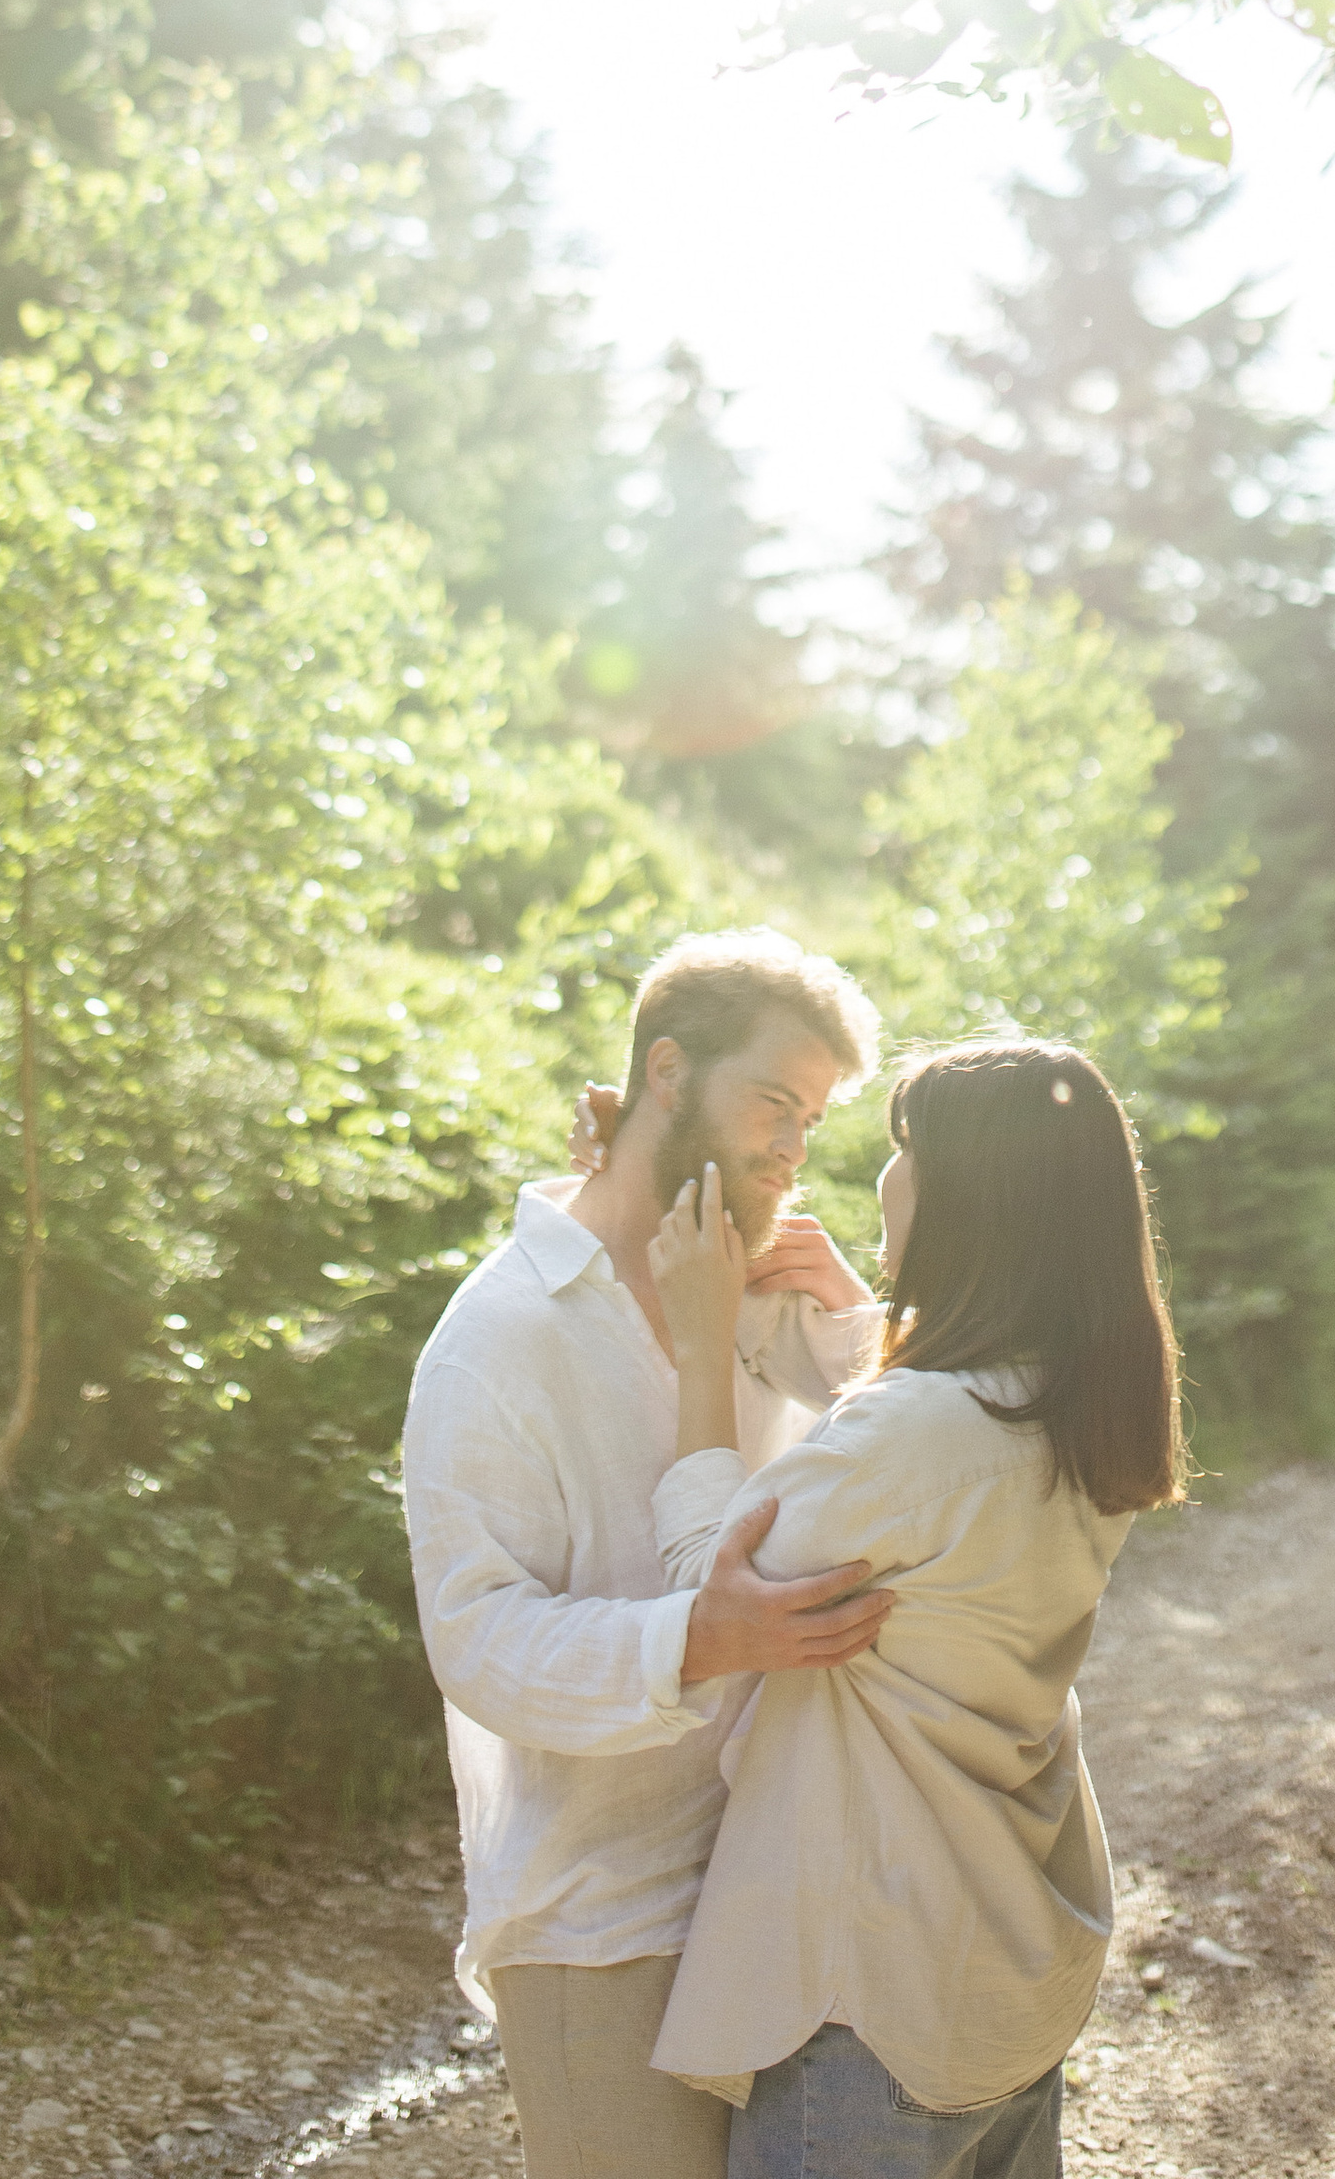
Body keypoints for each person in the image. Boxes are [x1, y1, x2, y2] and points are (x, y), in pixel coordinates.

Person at [644, 1035, 1184, 2179]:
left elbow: (712, 1591)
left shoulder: (915, 1432)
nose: (886, 1174)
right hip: (1001, 1971)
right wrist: (861, 1310)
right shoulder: (1077, 1402)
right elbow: (930, 1445)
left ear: (968, 1197)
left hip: (876, 2005)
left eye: (906, 1147)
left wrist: (700, 1344)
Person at [401, 927, 891, 2179]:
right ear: (667, 1074)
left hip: (789, 1884)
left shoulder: (763, 1285)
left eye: (811, 1120)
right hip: (605, 1924)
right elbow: (478, 1637)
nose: (792, 1148)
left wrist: (849, 1314)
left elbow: (920, 1455)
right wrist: (696, 1640)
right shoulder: (500, 1335)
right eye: (773, 1103)